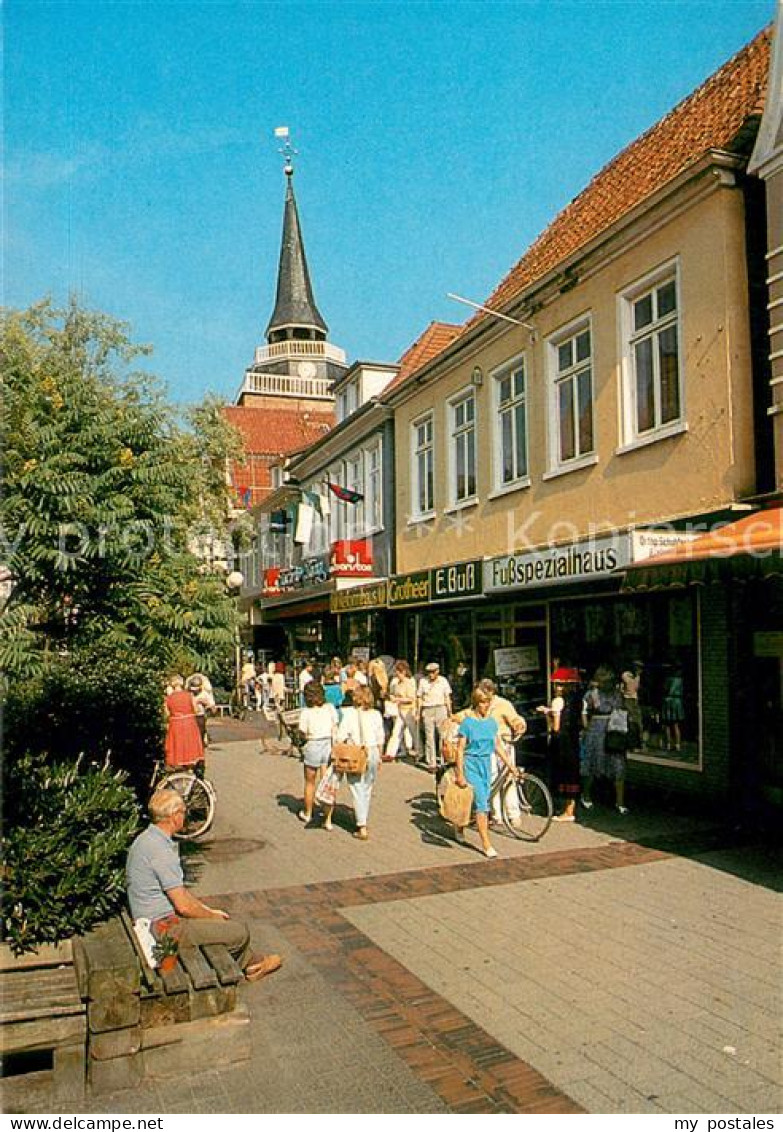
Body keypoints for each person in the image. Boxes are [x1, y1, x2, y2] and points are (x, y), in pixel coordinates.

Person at [126, 788, 281, 981]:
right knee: (239, 932)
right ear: (174, 816)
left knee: (218, 923)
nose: (185, 817)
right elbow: (183, 906)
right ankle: (252, 966)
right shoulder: (161, 851)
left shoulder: (147, 839)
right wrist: (212, 917)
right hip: (163, 930)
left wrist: (208, 911)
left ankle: (253, 962)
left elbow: (179, 892)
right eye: (183, 812)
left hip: (154, 921)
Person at [453, 686, 521, 858]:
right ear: (476, 703)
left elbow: (497, 745)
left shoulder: (491, 723)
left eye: (488, 702)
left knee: (473, 801)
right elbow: (460, 749)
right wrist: (459, 773)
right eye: (483, 702)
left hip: (485, 763)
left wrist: (510, 765)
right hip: (471, 764)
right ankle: (486, 843)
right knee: (483, 804)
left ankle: (459, 826)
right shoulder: (468, 723)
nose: (486, 705)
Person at [475, 678, 527, 827]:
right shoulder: (479, 704)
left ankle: (513, 814)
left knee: (508, 778)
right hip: (487, 744)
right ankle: (496, 814)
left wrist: (519, 726)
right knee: (491, 778)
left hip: (504, 743)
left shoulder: (503, 704)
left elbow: (516, 719)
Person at [337, 686, 384, 840]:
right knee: (368, 787)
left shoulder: (349, 714)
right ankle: (363, 817)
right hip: (373, 752)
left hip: (356, 753)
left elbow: (340, 736)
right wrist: (380, 757)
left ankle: (361, 824)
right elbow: (380, 738)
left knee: (357, 788)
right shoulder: (376, 714)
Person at [580, 665, 629, 814]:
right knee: (592, 763)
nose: (609, 684)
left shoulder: (617, 694)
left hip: (614, 730)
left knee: (618, 764)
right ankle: (586, 795)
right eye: (606, 681)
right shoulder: (591, 695)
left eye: (610, 681)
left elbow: (623, 709)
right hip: (596, 730)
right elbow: (584, 712)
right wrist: (587, 728)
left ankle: (620, 802)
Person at [539, 666, 582, 821]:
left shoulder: (558, 701)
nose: (557, 687)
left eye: (560, 684)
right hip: (573, 739)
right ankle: (571, 808)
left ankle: (566, 811)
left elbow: (555, 727)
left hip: (561, 741)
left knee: (562, 772)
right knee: (572, 773)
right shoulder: (577, 701)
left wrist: (547, 713)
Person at [297, 681, 339, 828]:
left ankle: (308, 813)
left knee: (310, 782)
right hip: (327, 743)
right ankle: (327, 818)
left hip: (313, 744)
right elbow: (335, 725)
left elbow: (302, 732)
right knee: (327, 782)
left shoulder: (306, 712)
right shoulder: (330, 708)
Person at [417, 662, 452, 770]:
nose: (431, 674)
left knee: (443, 735)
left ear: (437, 671)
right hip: (428, 709)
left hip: (440, 708)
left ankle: (442, 760)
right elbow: (419, 697)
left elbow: (447, 696)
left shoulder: (443, 681)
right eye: (429, 672)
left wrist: (450, 711)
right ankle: (431, 762)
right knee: (429, 736)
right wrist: (418, 712)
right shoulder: (423, 681)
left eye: (433, 672)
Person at [163, 675, 203, 768]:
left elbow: (167, 714)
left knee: (178, 747)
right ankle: (190, 769)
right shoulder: (189, 695)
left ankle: (179, 768)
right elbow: (196, 710)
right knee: (189, 746)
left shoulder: (168, 698)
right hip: (189, 723)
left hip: (175, 724)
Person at [384, 659, 418, 761]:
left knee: (413, 732)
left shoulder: (410, 683)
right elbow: (394, 694)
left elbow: (411, 698)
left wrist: (398, 699)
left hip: (409, 710)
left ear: (403, 672)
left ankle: (419, 752)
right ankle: (390, 753)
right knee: (396, 732)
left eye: (398, 672)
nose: (396, 674)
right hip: (399, 710)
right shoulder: (397, 684)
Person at [620, 660, 644, 751]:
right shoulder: (626, 675)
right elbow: (630, 687)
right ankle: (630, 744)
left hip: (634, 700)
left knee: (638, 722)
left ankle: (639, 742)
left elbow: (636, 689)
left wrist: (638, 676)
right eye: (637, 667)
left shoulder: (637, 677)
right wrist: (636, 677)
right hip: (627, 699)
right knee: (630, 722)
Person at [188, 675, 216, 749]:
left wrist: (206, 704)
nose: (194, 691)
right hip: (190, 716)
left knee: (200, 733)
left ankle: (200, 748)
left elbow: (213, 709)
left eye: (196, 690)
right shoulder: (188, 694)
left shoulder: (205, 694)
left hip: (200, 716)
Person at [662, 664, 685, 751]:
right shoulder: (680, 680)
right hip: (677, 701)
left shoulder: (669, 679)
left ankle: (668, 743)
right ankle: (677, 744)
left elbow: (668, 689)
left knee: (667, 724)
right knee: (675, 724)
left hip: (669, 700)